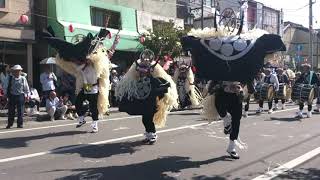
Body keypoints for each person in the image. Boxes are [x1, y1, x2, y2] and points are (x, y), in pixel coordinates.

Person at [116, 49, 178, 144]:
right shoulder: (138, 81)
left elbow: (163, 88)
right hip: (144, 103)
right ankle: (149, 134)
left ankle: (152, 135)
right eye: (141, 71)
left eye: (144, 71)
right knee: (145, 119)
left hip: (152, 104)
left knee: (148, 119)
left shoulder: (154, 80)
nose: (142, 73)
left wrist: (159, 100)